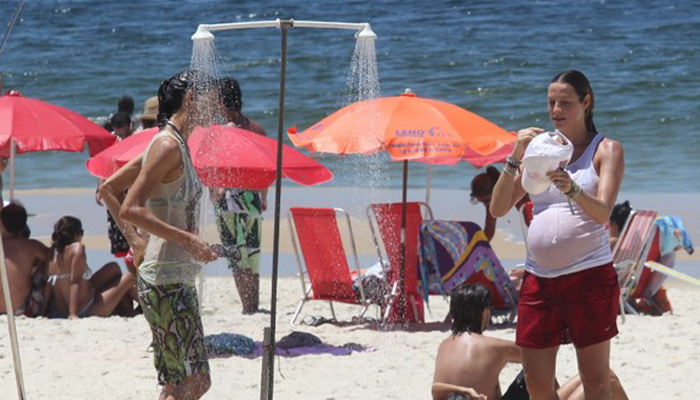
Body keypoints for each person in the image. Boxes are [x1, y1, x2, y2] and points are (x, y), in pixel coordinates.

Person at [490, 70, 625, 400]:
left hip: (589, 274)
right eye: (551, 102)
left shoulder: (606, 149)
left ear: (586, 102)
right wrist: (514, 157)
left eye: (565, 102)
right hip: (540, 278)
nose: (555, 110)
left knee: (594, 380)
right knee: (537, 383)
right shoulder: (542, 149)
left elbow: (603, 213)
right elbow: (497, 208)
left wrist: (573, 188)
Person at [100, 70, 216, 400]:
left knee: (182, 383)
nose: (215, 106)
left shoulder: (173, 143)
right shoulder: (166, 144)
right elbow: (130, 207)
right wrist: (183, 240)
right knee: (191, 382)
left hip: (174, 278)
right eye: (209, 99)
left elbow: (109, 188)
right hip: (163, 281)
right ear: (191, 98)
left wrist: (146, 242)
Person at [432, 284, 629, 400]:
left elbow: (436, 389)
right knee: (608, 378)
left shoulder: (444, 346)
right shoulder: (493, 347)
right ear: (484, 312)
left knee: (529, 376)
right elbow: (540, 354)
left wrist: (465, 390)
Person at [212, 77, 268, 314]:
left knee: (236, 256)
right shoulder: (256, 128)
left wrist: (215, 192)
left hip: (228, 200)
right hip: (252, 198)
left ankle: (247, 307)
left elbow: (212, 170)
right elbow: (266, 169)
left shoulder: (218, 132)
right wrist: (263, 197)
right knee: (252, 253)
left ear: (221, 103)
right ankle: (253, 305)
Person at [47, 216, 136, 318]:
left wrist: (42, 311)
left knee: (113, 267)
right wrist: (73, 314)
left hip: (64, 308)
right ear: (77, 234)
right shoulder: (77, 249)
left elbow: (48, 285)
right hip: (86, 308)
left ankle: (124, 308)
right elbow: (75, 282)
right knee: (129, 278)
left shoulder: (53, 252)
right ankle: (131, 310)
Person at [0, 203, 51, 317]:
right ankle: (48, 307)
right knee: (43, 266)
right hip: (19, 309)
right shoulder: (31, 246)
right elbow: (55, 258)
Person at [471, 166, 530, 242]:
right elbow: (487, 235)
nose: (486, 206)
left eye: (485, 201)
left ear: (494, 193)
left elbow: (488, 234)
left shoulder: (518, 194)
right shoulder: (512, 187)